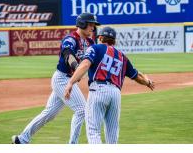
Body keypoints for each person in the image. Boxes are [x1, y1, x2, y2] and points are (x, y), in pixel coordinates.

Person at [12, 12, 100, 144]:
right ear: (82, 24)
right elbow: (67, 54)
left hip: (69, 80)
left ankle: (22, 139)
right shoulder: (71, 39)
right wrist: (76, 67)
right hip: (62, 79)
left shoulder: (90, 41)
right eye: (90, 25)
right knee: (82, 110)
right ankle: (72, 144)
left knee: (49, 113)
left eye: (94, 25)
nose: (93, 28)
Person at [64, 27, 155, 144]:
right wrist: (148, 82)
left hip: (99, 90)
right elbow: (137, 76)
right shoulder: (122, 56)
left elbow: (85, 64)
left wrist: (71, 82)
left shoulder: (95, 48)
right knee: (112, 134)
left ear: (100, 38)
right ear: (114, 41)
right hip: (116, 94)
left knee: (93, 131)